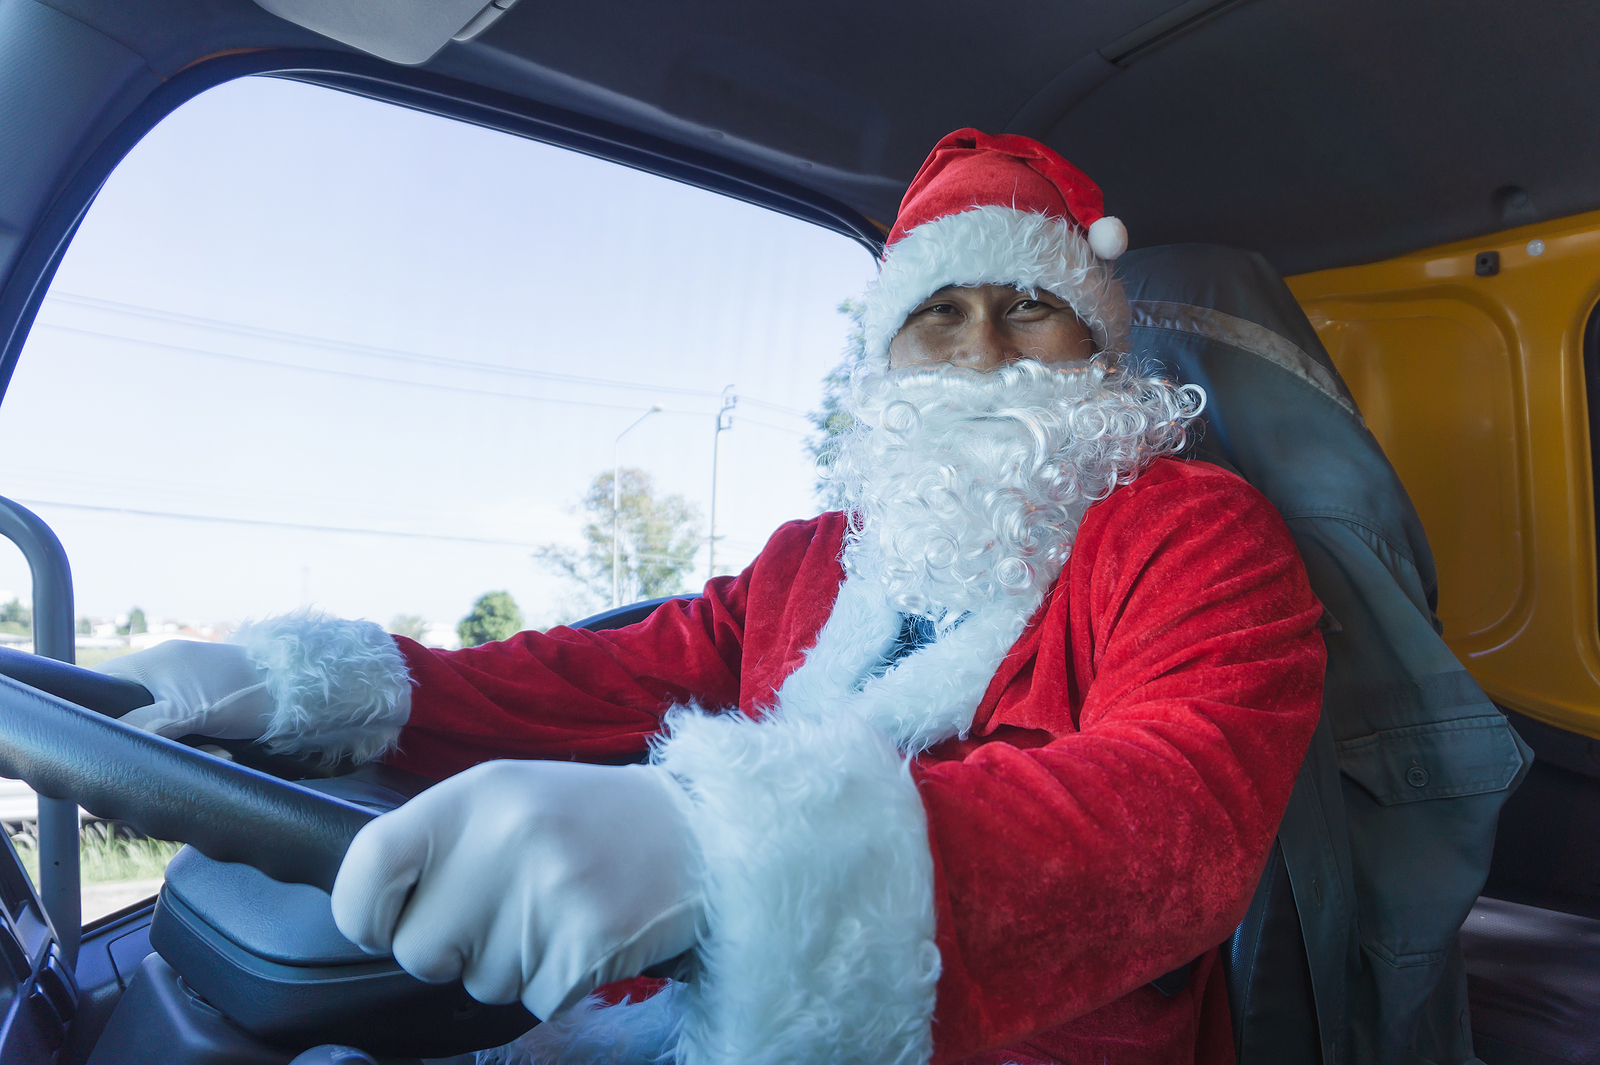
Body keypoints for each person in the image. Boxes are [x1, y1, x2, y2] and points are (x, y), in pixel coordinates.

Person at [101, 129, 1325, 1065]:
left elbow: (1179, 808)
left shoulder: (1190, 531)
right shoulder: (814, 557)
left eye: (1029, 309)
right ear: (884, 359)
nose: (980, 348)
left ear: (1099, 350)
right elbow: (596, 676)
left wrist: (734, 850)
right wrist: (301, 682)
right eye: (937, 313)